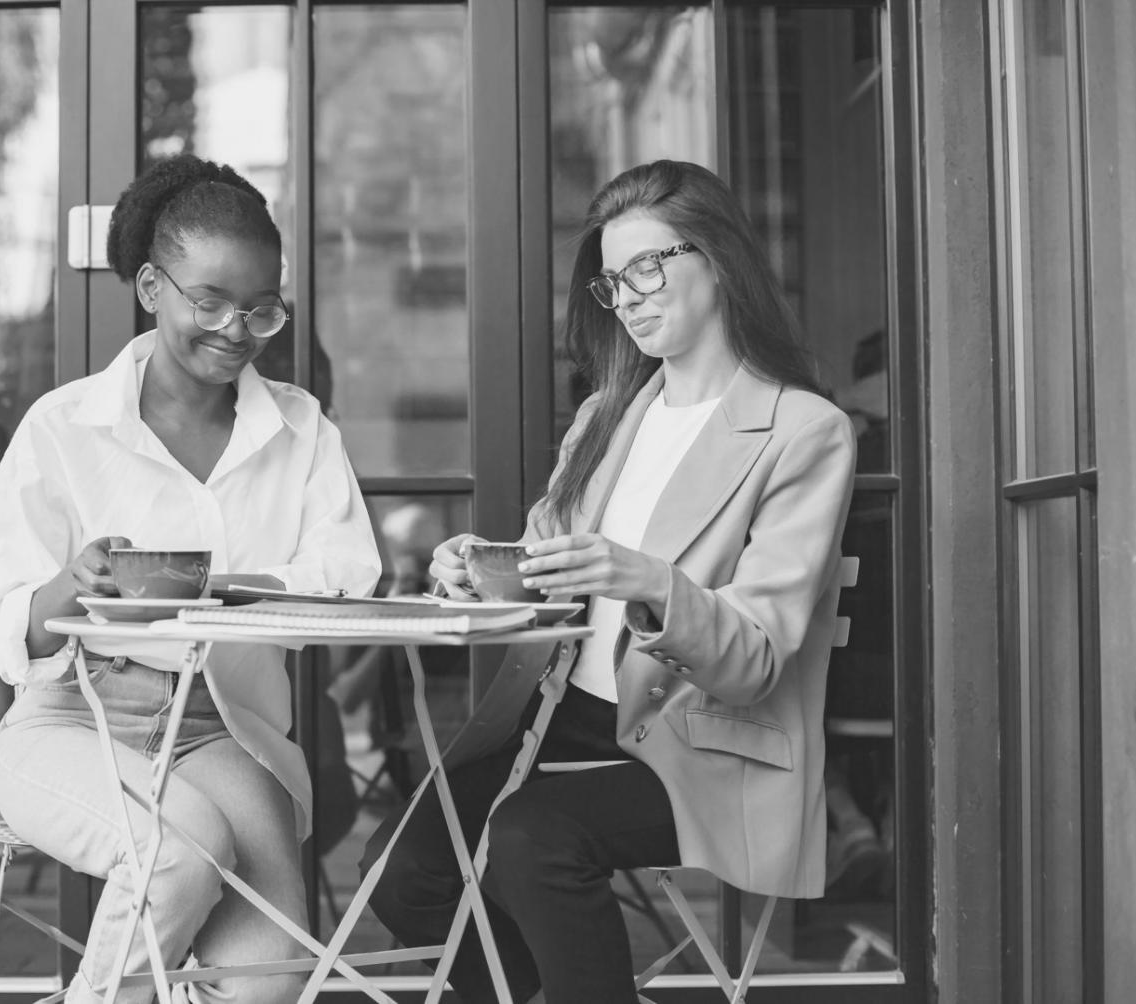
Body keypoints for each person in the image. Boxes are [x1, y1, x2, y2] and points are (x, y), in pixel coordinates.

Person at [361, 159, 857, 1003]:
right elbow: (540, 561)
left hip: (704, 744)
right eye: (611, 282)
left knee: (529, 841)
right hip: (562, 723)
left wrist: (650, 583)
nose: (625, 298)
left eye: (646, 268)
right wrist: (475, 569)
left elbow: (756, 659)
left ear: (717, 259)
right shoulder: (607, 415)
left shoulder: (802, 432)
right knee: (401, 867)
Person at [0, 153, 382, 1004]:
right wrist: (73, 582)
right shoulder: (63, 426)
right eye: (211, 301)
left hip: (220, 726)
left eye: (261, 307)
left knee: (267, 986)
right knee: (178, 852)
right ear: (153, 287)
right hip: (74, 717)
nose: (237, 328)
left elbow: (347, 576)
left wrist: (217, 590)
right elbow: (7, 628)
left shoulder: (301, 428)